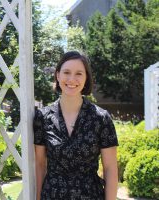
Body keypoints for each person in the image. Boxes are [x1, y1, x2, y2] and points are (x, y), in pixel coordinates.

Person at [34, 51, 118, 200]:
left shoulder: (101, 118)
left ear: (86, 78)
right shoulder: (42, 117)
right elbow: (40, 166)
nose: (72, 79)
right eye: (66, 72)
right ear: (58, 75)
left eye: (79, 73)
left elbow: (110, 169)